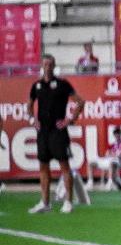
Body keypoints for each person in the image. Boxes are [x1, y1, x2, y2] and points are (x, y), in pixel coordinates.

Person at [28, 54, 83, 215]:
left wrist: (69, 119)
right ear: (41, 66)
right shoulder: (36, 86)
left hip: (58, 132)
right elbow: (29, 106)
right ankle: (45, 202)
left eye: (50, 64)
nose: (47, 67)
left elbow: (80, 101)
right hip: (43, 132)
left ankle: (68, 202)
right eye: (45, 64)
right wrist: (32, 120)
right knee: (43, 166)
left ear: (54, 66)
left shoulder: (62, 84)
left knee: (64, 166)